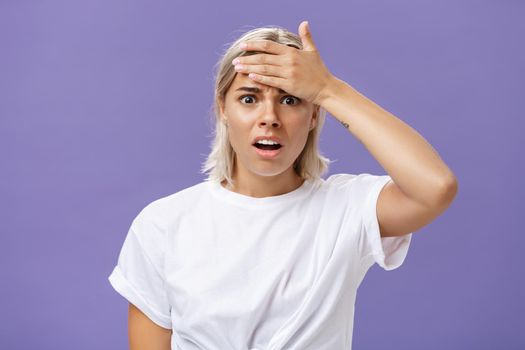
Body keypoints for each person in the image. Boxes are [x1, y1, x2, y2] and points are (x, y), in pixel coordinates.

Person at [108, 21, 458, 350]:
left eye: (290, 99)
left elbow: (435, 187)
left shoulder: (347, 207)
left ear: (314, 116)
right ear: (223, 110)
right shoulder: (164, 223)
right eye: (248, 98)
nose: (270, 118)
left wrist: (327, 88)